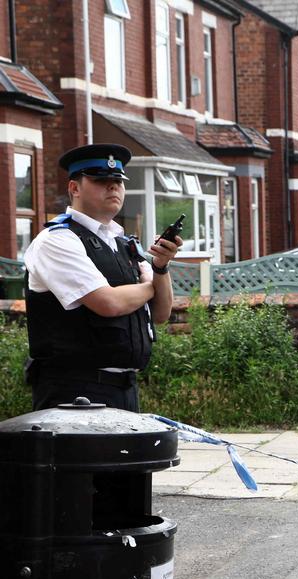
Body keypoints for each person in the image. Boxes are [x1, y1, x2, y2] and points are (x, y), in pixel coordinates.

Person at [23, 143, 181, 411]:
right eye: (101, 180)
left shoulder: (124, 244)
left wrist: (161, 268)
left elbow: (162, 313)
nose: (113, 187)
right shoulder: (57, 240)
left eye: (118, 181)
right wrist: (149, 286)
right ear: (74, 188)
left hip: (124, 389)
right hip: (73, 392)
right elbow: (108, 303)